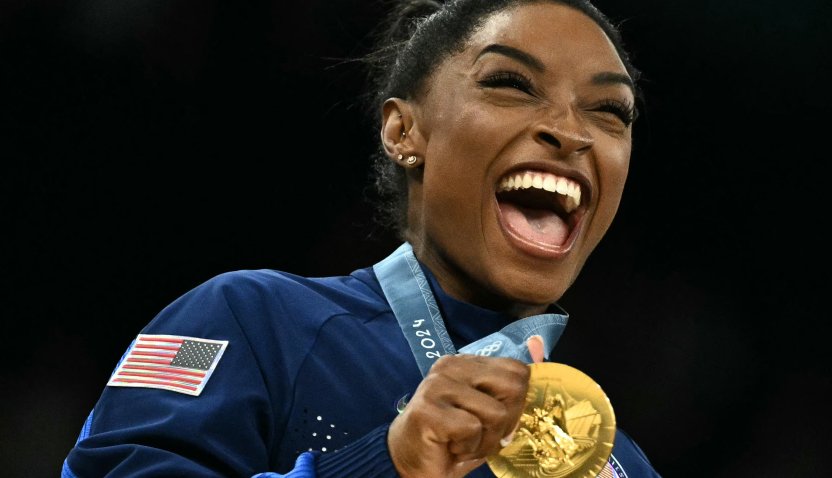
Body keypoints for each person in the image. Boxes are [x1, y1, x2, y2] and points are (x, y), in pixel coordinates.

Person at [61, 0, 662, 476]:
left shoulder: (614, 465)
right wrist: (387, 463)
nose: (568, 131)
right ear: (404, 131)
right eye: (511, 82)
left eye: (610, 111)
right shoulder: (248, 320)